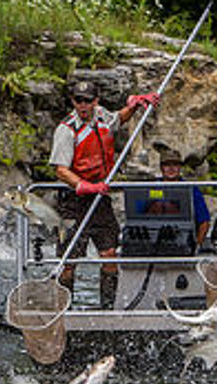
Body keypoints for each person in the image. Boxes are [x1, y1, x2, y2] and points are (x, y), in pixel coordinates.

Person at [49, 79, 159, 309]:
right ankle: (64, 310)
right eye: (78, 100)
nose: (83, 105)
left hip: (100, 199)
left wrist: (136, 105)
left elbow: (119, 119)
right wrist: (82, 185)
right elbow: (60, 169)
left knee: (109, 254)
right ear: (73, 102)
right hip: (74, 200)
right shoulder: (67, 129)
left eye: (88, 100)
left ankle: (107, 308)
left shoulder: (101, 116)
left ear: (95, 101)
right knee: (69, 260)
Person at [156, 146, 211, 251]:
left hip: (183, 242)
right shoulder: (150, 188)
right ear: (161, 167)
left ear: (180, 167)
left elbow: (204, 221)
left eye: (175, 164)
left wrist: (196, 246)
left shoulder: (191, 189)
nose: (171, 168)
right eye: (167, 165)